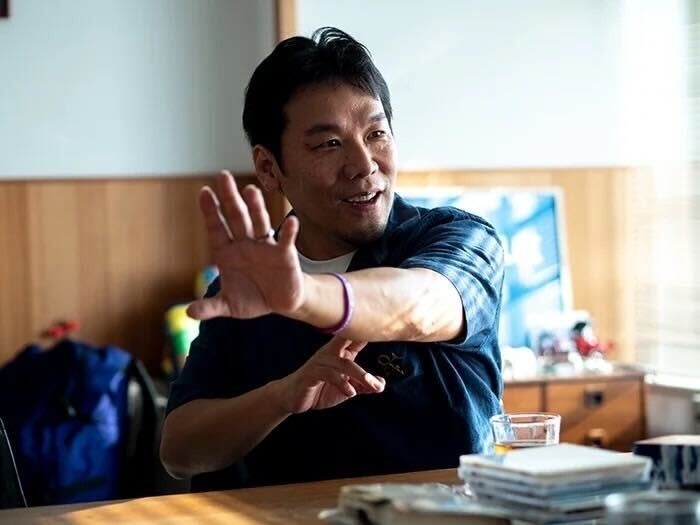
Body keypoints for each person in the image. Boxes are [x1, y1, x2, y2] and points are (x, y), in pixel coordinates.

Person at [160, 27, 504, 491]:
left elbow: (421, 304)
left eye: (376, 134)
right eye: (329, 144)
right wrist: (282, 396)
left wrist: (302, 297)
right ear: (268, 168)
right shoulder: (246, 286)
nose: (364, 165)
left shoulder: (459, 237)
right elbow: (180, 452)